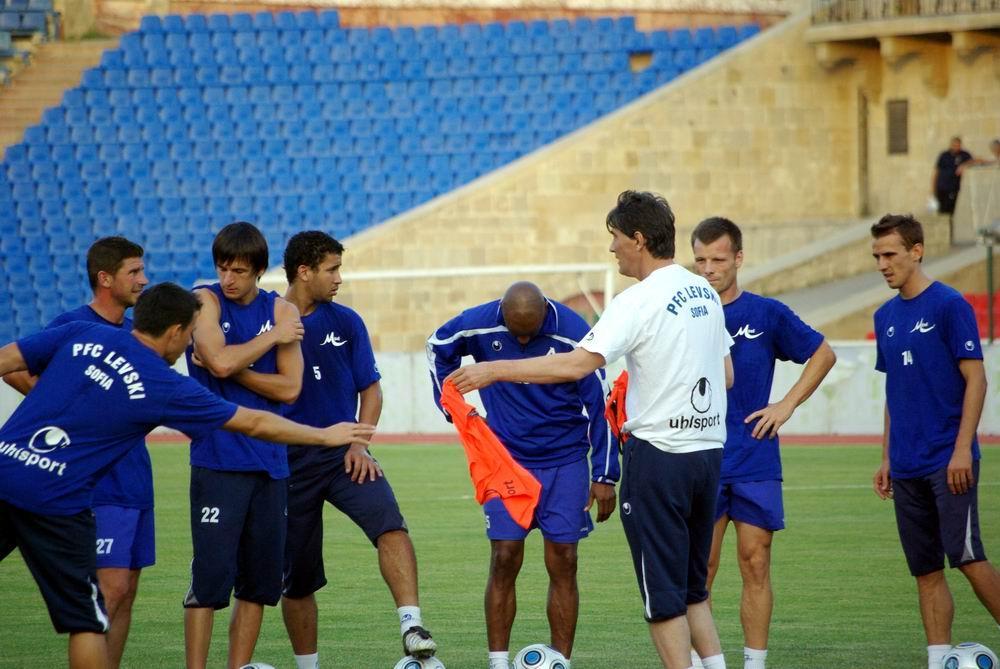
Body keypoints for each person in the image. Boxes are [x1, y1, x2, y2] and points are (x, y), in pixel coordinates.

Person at [0, 282, 374, 669]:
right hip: (56, 500)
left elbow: (6, 359)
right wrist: (323, 435)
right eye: (191, 332)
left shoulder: (83, 332)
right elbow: (253, 422)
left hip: (3, 468)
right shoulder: (163, 385)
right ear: (176, 331)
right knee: (87, 623)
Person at [448, 191, 734, 669]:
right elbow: (725, 374)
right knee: (693, 591)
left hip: (659, 458)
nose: (612, 248)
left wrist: (493, 370)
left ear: (638, 239)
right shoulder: (703, 290)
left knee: (663, 600)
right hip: (707, 454)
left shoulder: (637, 300)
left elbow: (576, 364)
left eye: (616, 237)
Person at [428, 280, 619, 669]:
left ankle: (561, 661)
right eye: (516, 333)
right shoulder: (480, 322)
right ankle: (498, 663)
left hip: (565, 460)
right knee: (504, 556)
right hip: (506, 463)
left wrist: (604, 474)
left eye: (531, 332)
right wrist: (453, 408)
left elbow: (600, 404)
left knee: (564, 559)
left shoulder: (573, 332)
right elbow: (437, 346)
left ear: (545, 312)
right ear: (502, 315)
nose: (523, 340)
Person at [279, 231, 437, 669]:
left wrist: (359, 443)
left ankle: (412, 627)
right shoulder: (268, 322)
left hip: (343, 457)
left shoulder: (347, 322)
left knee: (391, 525)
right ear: (304, 272)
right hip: (287, 463)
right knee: (297, 579)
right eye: (331, 269)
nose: (339, 278)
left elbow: (372, 389)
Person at [691, 218, 836, 669]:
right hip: (701, 457)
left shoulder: (766, 313)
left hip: (755, 456)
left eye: (718, 259)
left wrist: (786, 405)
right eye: (700, 260)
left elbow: (823, 353)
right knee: (700, 569)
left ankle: (755, 663)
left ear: (738, 258)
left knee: (755, 562)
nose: (709, 268)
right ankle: (699, 661)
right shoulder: (686, 315)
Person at [2, 237, 152, 669]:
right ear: (105, 278)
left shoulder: (137, 334)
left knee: (126, 590)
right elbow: (16, 370)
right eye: (134, 272)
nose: (143, 280)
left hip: (135, 476)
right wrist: (66, 416)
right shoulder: (72, 325)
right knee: (108, 591)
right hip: (94, 479)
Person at [870, 213, 1000, 669]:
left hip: (949, 460)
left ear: (916, 251)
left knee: (967, 558)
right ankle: (937, 659)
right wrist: (886, 456)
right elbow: (894, 391)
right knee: (925, 570)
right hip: (905, 465)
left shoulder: (949, 305)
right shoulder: (884, 316)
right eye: (877, 256)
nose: (882, 264)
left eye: (890, 254)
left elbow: (976, 380)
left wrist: (963, 448)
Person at [183, 222, 306, 669]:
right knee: (208, 581)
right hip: (218, 459)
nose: (228, 278)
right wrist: (271, 338)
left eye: (238, 270)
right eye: (222, 268)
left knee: (257, 585)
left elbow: (290, 388)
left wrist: (233, 368)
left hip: (270, 463)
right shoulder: (204, 301)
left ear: (258, 270)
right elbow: (216, 361)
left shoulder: (282, 308)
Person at [931, 136, 973, 216]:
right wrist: (933, 189)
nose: (956, 147)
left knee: (951, 210)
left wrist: (964, 165)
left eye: (958, 145)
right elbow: (936, 172)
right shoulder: (944, 155)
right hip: (942, 187)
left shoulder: (964, 155)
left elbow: (975, 161)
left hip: (953, 188)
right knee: (942, 210)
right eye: (954, 145)